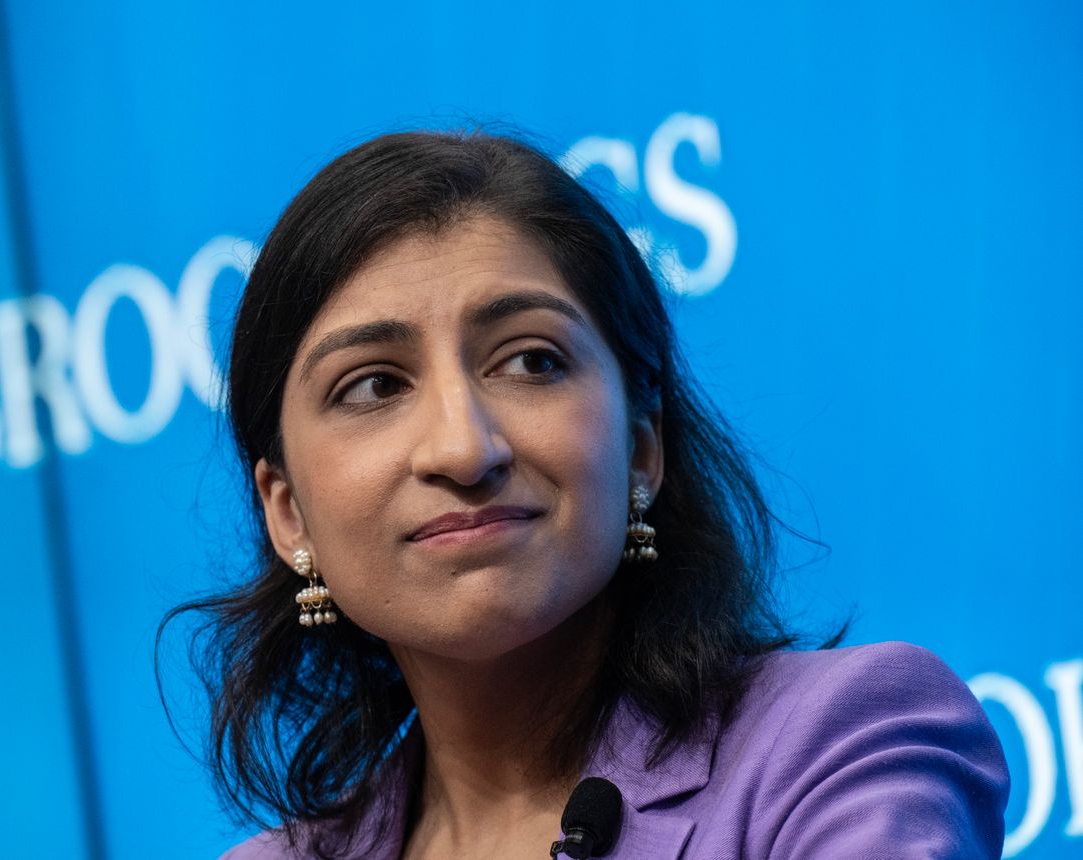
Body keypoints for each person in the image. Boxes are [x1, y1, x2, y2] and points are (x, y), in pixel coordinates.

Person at [167, 130, 1009, 859]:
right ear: (287, 513)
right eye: (373, 386)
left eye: (532, 361)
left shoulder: (842, 744)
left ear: (642, 448)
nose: (464, 447)